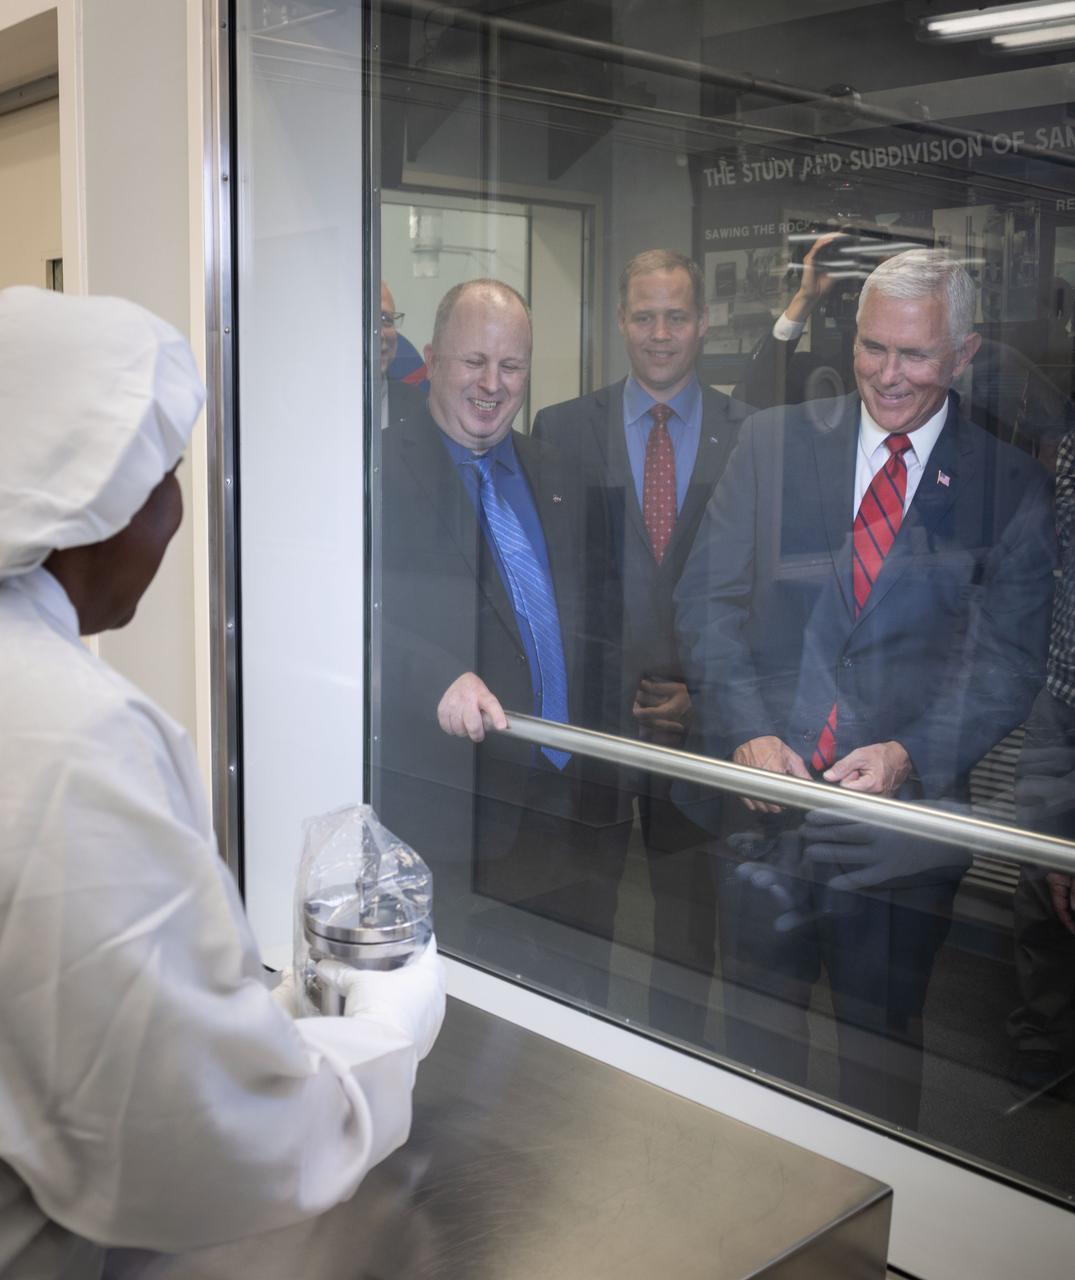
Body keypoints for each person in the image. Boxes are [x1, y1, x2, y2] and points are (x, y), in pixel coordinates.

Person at [0, 286, 445, 1279]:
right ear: (88, 502)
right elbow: (194, 1139)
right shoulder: (70, 738)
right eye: (166, 474)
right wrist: (376, 1042)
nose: (175, 511)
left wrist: (241, 1005)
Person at [676, 249, 1056, 1127]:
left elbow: (1003, 661)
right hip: (759, 816)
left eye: (915, 356)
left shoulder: (1011, 487)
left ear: (963, 354)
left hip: (897, 845)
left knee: (875, 1078)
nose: (887, 375)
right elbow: (706, 603)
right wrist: (747, 731)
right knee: (751, 1071)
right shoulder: (771, 445)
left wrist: (908, 753)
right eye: (871, 348)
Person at [376, 279, 629, 1005]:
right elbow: (344, 619)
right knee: (455, 1032)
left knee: (578, 1016)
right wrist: (434, 678)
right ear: (431, 359)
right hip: (451, 816)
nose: (492, 385)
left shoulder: (563, 475)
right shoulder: (373, 472)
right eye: (472, 362)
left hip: (573, 814)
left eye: (511, 366)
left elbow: (601, 632)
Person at [531, 249, 746, 1042]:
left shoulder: (747, 435)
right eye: (644, 316)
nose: (660, 334)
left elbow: (753, 595)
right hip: (593, 724)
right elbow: (551, 583)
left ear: (703, 323)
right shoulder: (560, 429)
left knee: (689, 938)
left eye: (677, 316)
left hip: (693, 734)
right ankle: (575, 1057)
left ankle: (678, 1068)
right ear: (620, 322)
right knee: (577, 914)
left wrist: (708, 698)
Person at [379, 279, 426, 429]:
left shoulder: (421, 409)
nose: (379, 334)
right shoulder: (316, 400)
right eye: (365, 319)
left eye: (385, 319)